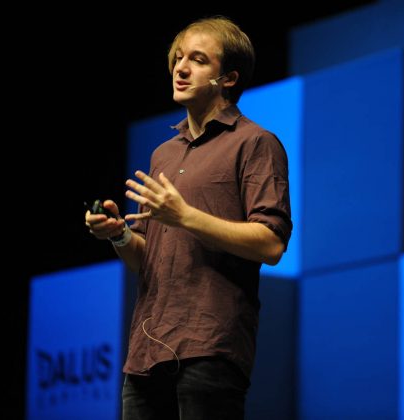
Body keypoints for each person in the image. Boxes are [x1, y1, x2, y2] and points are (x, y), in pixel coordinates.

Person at [85, 16, 292, 420]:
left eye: (198, 60)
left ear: (228, 78)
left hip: (209, 344)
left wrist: (185, 216)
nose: (181, 68)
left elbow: (271, 244)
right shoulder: (164, 153)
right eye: (178, 58)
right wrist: (119, 236)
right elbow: (145, 259)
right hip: (146, 350)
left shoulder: (255, 143)